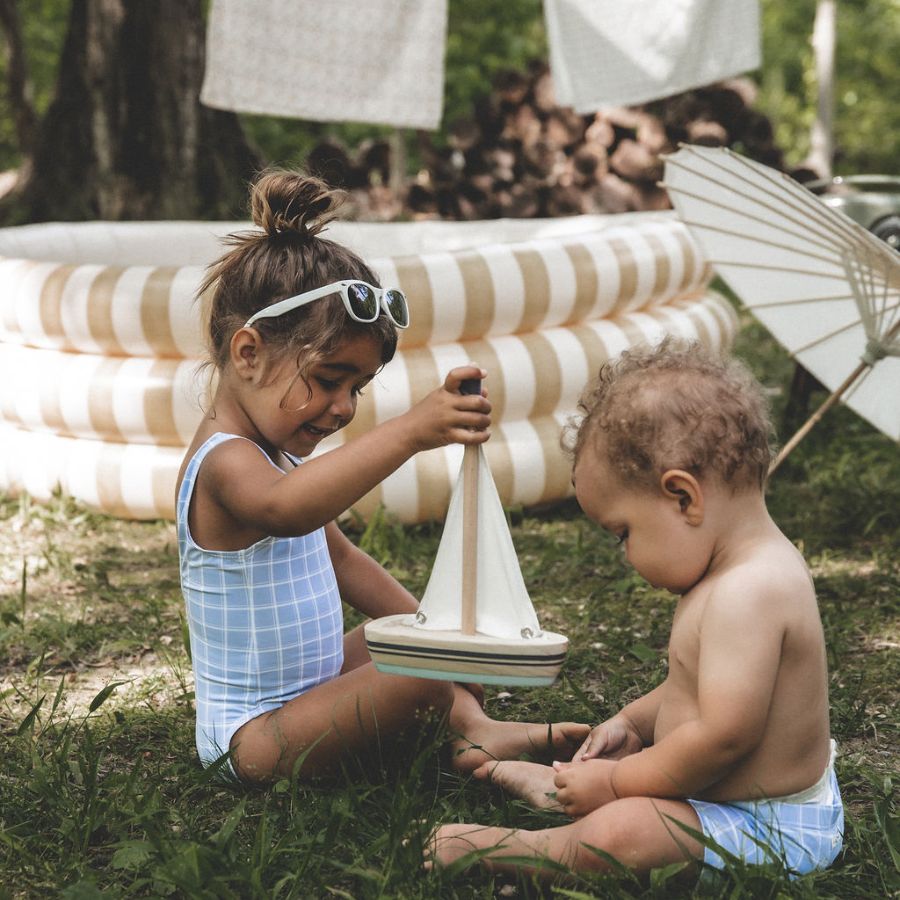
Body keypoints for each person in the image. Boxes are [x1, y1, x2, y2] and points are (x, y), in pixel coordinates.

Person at [176, 169, 589, 784]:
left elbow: (341, 561)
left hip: (313, 693)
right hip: (255, 737)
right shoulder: (224, 462)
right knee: (414, 669)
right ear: (248, 353)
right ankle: (475, 748)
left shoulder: (277, 455)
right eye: (327, 379)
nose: (344, 407)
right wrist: (410, 431)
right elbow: (290, 509)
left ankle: (476, 731)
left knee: (395, 635)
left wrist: (436, 632)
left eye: (358, 388)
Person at [427, 339, 844, 881]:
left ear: (683, 498)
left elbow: (725, 734)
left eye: (624, 532)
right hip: (720, 797)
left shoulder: (750, 590)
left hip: (772, 825)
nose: (625, 554)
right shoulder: (729, 568)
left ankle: (519, 847)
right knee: (625, 784)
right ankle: (561, 785)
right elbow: (694, 684)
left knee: (622, 832)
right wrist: (632, 721)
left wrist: (619, 783)